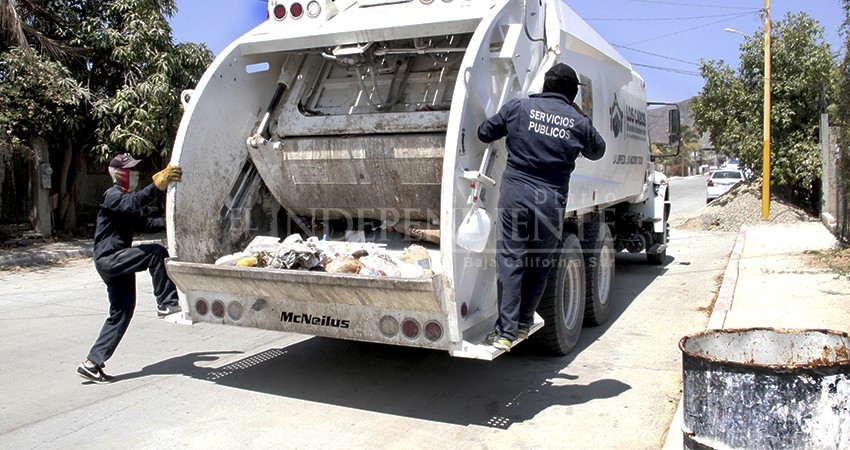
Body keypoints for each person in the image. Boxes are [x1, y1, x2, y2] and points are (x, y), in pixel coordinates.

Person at [477, 63, 606, 351]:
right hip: (550, 201)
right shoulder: (578, 122)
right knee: (540, 263)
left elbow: (484, 132)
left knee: (511, 262)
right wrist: (579, 115)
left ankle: (505, 333)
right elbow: (598, 151)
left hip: (516, 194)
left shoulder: (518, 109)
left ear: (545, 86)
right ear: (572, 94)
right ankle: (524, 322)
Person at [77, 154, 184, 383]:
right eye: (130, 171)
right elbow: (134, 203)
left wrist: (175, 220)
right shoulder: (113, 196)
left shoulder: (124, 201)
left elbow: (145, 224)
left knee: (121, 313)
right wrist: (157, 185)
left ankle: (92, 363)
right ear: (117, 173)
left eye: (136, 171)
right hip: (110, 258)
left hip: (116, 262)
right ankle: (166, 303)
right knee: (156, 253)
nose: (135, 174)